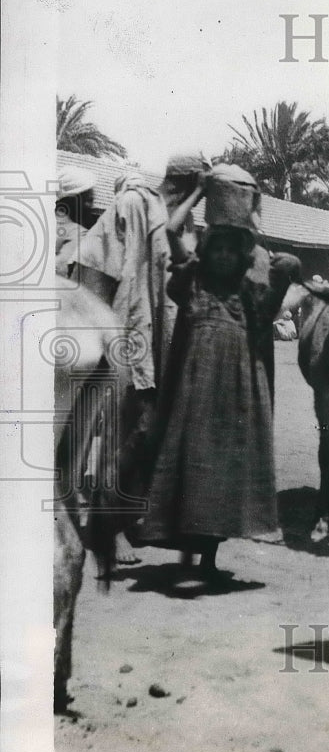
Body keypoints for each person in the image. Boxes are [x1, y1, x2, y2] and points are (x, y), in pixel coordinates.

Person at [136, 164, 301, 579]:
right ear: (207, 252)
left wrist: (254, 218)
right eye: (218, 249)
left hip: (235, 392)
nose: (224, 255)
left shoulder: (250, 292)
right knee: (191, 462)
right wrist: (199, 193)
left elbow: (287, 263)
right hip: (195, 389)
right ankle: (188, 554)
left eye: (232, 250)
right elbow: (171, 233)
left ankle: (207, 558)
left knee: (223, 467)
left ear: (242, 255)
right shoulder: (193, 281)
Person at [75, 165, 180, 567]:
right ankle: (105, 530)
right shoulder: (115, 223)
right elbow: (96, 293)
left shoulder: (128, 228)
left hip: (130, 343)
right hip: (109, 347)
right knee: (115, 439)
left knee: (140, 432)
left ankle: (125, 517)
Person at [55, 167, 95, 277]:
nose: (90, 206)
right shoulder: (78, 233)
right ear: (73, 200)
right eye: (88, 200)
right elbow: (61, 272)